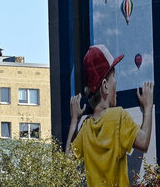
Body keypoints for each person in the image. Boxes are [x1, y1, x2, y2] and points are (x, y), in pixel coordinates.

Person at [65, 44, 154, 187]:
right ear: (105, 86)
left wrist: (74, 120)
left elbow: (67, 162)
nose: (117, 82)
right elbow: (143, 143)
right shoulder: (118, 116)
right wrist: (148, 106)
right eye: (114, 76)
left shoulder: (86, 128)